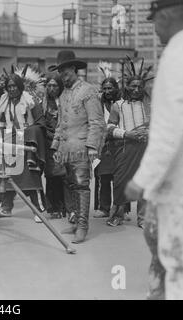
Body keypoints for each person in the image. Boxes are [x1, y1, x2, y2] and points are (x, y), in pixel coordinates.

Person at [125, 0, 183, 300]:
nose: (154, 26)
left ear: (169, 14)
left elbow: (168, 132)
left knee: (172, 258)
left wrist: (141, 180)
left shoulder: (176, 54)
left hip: (176, 184)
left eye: (155, 18)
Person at [50, 50, 106, 243]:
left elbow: (97, 122)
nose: (63, 74)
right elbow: (60, 123)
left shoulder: (88, 91)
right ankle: (74, 221)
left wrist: (92, 147)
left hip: (82, 148)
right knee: (70, 185)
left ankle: (83, 226)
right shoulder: (63, 94)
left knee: (82, 186)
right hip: (66, 150)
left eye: (66, 70)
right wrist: (55, 146)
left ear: (74, 68)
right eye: (60, 71)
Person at [0, 73, 47, 221]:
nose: (11, 89)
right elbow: (1, 124)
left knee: (30, 175)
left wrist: (29, 131)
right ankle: (6, 207)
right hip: (9, 141)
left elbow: (39, 122)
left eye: (14, 86)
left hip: (26, 141)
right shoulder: (4, 101)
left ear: (20, 86)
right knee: (9, 174)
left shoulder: (29, 100)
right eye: (9, 86)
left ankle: (38, 210)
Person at [106, 56, 152, 228]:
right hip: (125, 149)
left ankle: (143, 219)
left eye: (139, 86)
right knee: (120, 182)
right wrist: (127, 135)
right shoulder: (117, 105)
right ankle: (117, 214)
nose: (136, 89)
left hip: (146, 150)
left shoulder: (149, 105)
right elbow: (109, 128)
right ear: (127, 87)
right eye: (133, 86)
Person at [42, 73, 75, 221]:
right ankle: (53, 208)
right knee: (52, 176)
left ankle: (67, 208)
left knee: (66, 176)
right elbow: (40, 124)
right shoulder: (42, 104)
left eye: (55, 85)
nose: (52, 88)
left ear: (60, 87)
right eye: (49, 85)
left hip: (65, 142)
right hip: (49, 144)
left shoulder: (66, 101)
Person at [93, 76, 121, 218]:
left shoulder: (122, 103)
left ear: (116, 88)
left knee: (120, 178)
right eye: (105, 88)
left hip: (120, 144)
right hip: (103, 145)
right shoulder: (98, 104)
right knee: (103, 177)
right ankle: (103, 208)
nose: (107, 91)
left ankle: (121, 210)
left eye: (110, 88)